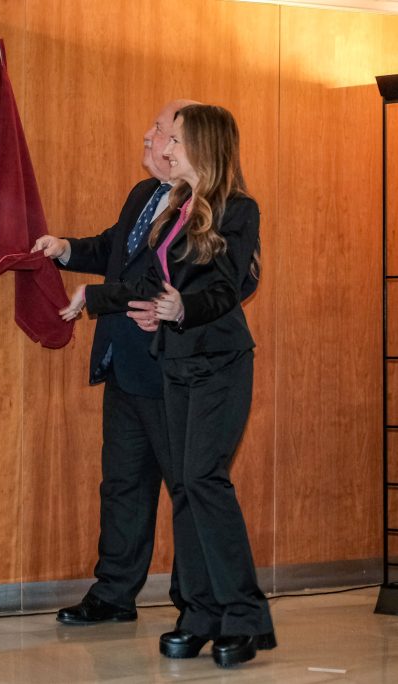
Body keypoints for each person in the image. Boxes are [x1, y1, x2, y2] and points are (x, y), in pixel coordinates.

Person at [61, 104, 275, 668]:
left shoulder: (238, 209)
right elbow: (149, 280)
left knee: (202, 483)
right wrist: (94, 297)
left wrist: (182, 309)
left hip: (219, 363)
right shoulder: (172, 207)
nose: (165, 146)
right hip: (175, 363)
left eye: (176, 138)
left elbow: (227, 290)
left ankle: (245, 618)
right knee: (188, 488)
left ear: (202, 147)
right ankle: (202, 615)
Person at [32, 100, 195, 626]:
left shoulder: (206, 206)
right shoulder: (145, 194)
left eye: (161, 129)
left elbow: (158, 282)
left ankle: (195, 602)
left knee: (189, 489)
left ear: (186, 145)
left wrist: (95, 297)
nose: (148, 136)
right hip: (126, 363)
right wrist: (65, 250)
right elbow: (115, 249)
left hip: (172, 372)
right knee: (122, 484)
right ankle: (114, 595)